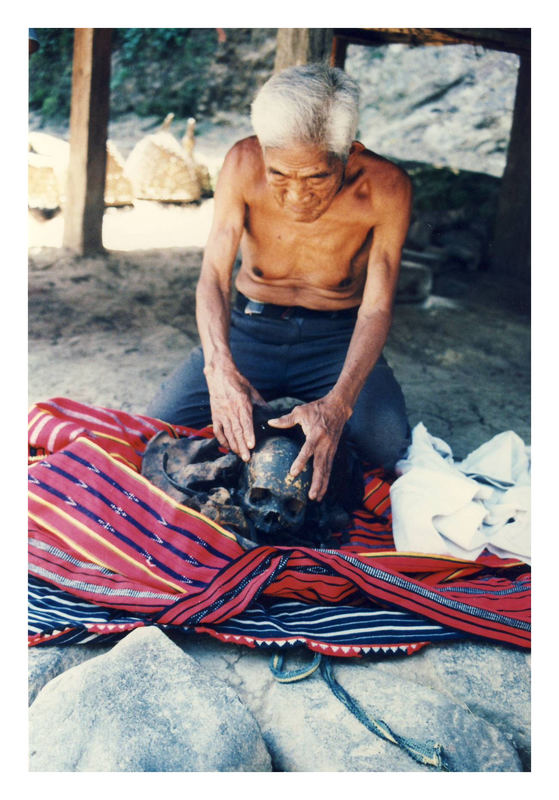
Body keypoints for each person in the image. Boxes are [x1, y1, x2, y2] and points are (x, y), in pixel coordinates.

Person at [147, 64, 412, 503]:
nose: (296, 196)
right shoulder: (241, 161)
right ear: (263, 151)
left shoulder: (387, 187)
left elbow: (377, 307)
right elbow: (213, 275)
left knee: (384, 448)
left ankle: (303, 409)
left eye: (317, 177)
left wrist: (340, 402)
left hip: (336, 339)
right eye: (280, 175)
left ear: (350, 151)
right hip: (252, 328)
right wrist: (219, 369)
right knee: (157, 425)